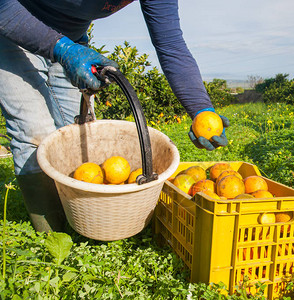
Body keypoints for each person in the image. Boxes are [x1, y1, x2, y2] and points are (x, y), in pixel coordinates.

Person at [0, 0, 229, 232]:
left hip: (72, 41)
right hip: (12, 30)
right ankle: (51, 237)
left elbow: (170, 43)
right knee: (34, 131)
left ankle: (80, 224)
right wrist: (61, 49)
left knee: (78, 138)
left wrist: (201, 109)